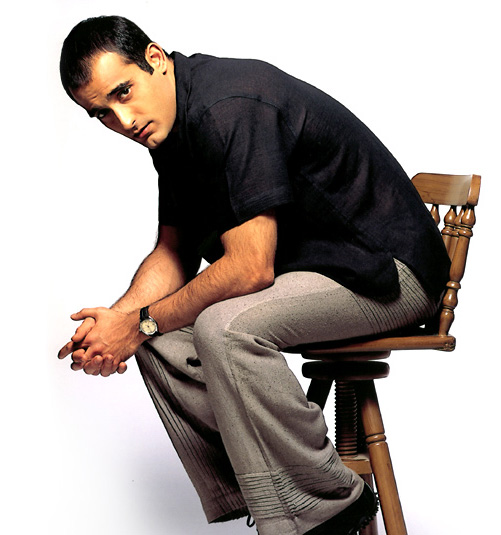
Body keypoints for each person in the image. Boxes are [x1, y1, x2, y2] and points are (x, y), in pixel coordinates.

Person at [58, 15, 450, 535]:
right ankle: (280, 494)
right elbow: (173, 252)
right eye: (102, 113)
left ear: (154, 58)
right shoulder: (170, 130)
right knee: (159, 339)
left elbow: (249, 268)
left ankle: (325, 507)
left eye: (123, 92)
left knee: (223, 327)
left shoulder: (228, 106)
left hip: (388, 274)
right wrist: (117, 324)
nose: (124, 120)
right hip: (324, 270)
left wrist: (141, 321)